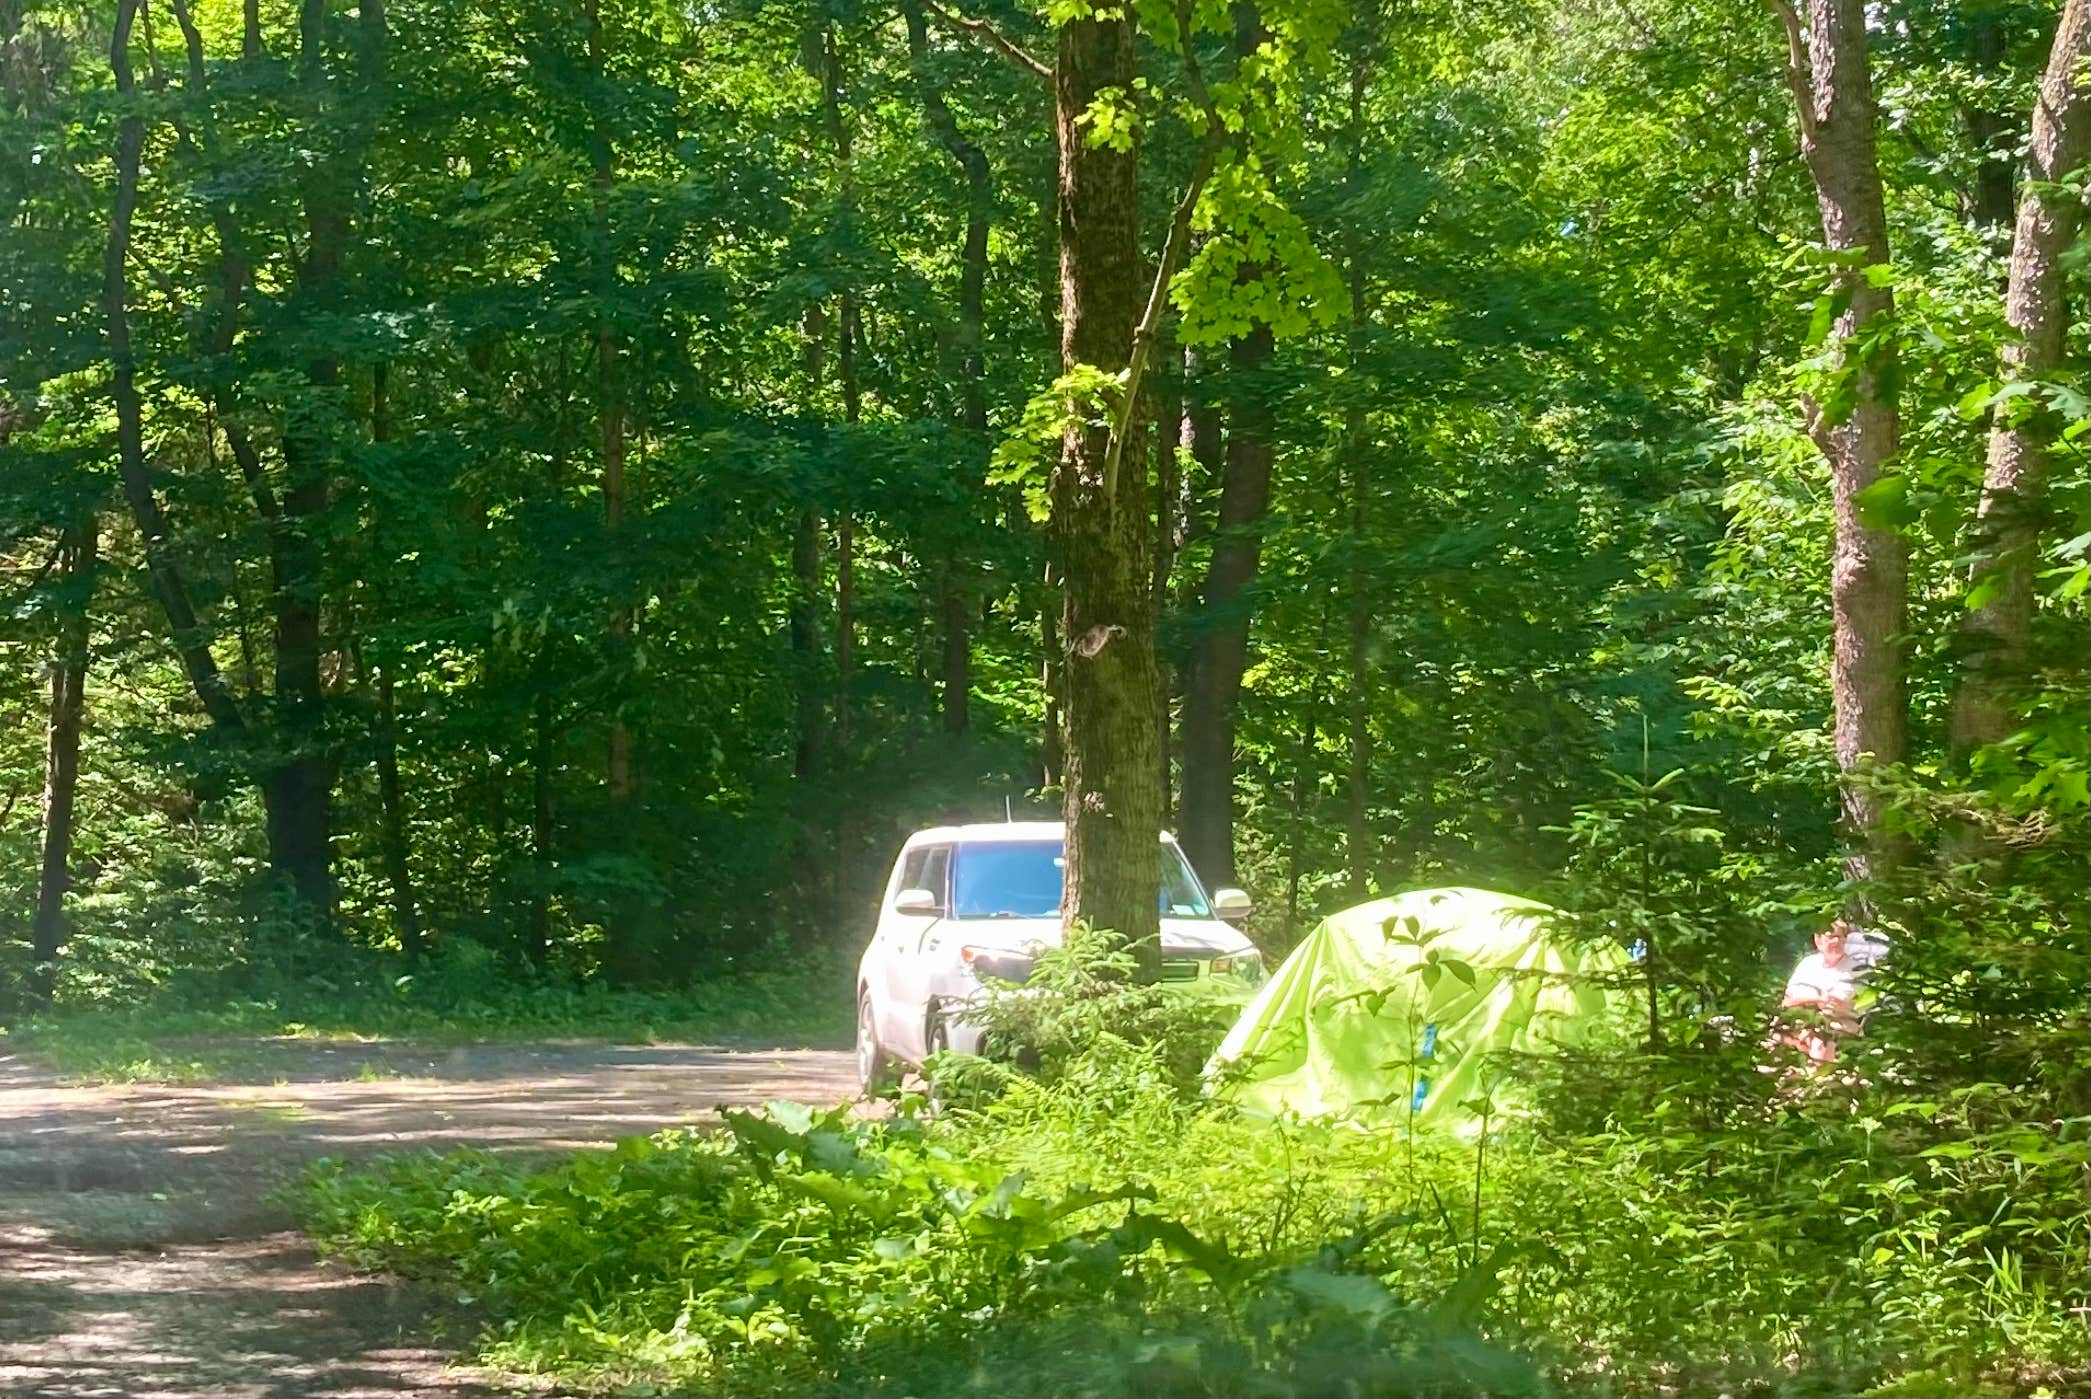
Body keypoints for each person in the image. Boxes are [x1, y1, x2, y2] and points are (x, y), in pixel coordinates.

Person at [1778, 920, 1864, 1064]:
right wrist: (1817, 996)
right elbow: (1787, 1001)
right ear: (1818, 940)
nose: (1836, 941)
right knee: (1775, 1036)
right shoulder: (1808, 963)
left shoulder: (1857, 967)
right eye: (1831, 937)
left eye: (1841, 937)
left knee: (1821, 1041)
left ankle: (1818, 1082)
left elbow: (1833, 1005)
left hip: (1841, 1023)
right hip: (1801, 1020)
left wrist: (1807, 998)